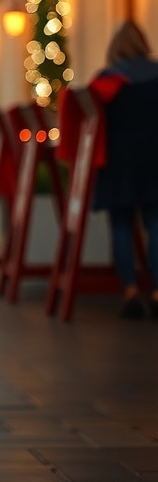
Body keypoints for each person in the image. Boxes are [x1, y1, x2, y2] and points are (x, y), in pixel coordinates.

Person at [92, 21, 158, 320]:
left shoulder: (107, 81)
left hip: (117, 165)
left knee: (121, 227)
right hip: (155, 162)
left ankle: (130, 291)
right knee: (155, 225)